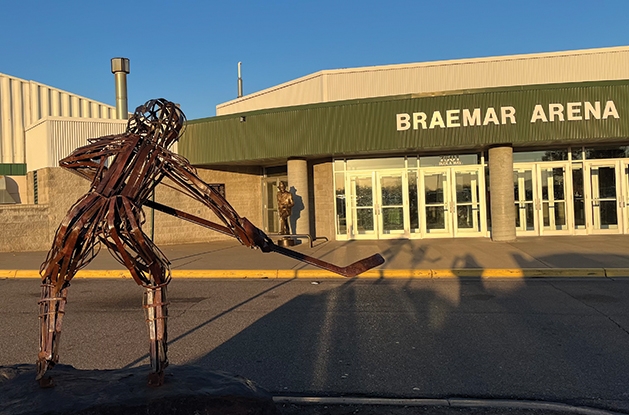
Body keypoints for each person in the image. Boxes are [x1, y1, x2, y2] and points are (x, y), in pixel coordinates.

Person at [36, 99, 271, 387]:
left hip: (83, 211)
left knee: (55, 278)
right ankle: (157, 366)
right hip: (122, 219)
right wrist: (241, 227)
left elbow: (71, 161)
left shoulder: (114, 143)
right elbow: (206, 194)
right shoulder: (161, 157)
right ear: (169, 134)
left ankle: (46, 362)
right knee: (155, 276)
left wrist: (102, 180)